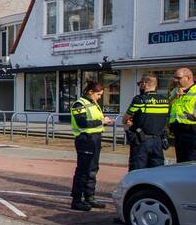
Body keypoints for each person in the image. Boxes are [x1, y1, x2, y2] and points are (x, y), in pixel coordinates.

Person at [69, 81, 114, 212]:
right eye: (98, 94)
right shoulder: (79, 104)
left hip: (95, 139)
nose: (99, 97)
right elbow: (82, 123)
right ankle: (76, 200)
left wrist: (104, 122)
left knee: (93, 169)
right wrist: (102, 121)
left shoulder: (93, 104)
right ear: (90, 92)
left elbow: (94, 122)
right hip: (85, 139)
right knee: (83, 170)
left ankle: (90, 196)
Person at [122, 74, 169, 171]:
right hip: (158, 141)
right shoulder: (165, 100)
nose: (139, 86)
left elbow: (125, 119)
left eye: (139, 83)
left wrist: (129, 123)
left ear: (144, 83)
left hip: (141, 141)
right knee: (157, 171)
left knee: (137, 171)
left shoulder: (139, 100)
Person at [167, 67, 196, 163]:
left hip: (192, 132)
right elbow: (167, 107)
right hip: (178, 132)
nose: (175, 80)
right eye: (174, 78)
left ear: (188, 78)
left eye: (178, 78)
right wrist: (174, 97)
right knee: (181, 162)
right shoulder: (175, 90)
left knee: (191, 163)